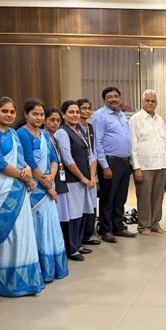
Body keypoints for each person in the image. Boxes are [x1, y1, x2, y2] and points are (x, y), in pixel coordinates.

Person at [0, 97, 44, 296]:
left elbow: (22, 158)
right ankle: (9, 283)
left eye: (11, 112)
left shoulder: (13, 133)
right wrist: (24, 176)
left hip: (19, 186)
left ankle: (27, 281)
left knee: (24, 232)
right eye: (4, 111)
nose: (8, 115)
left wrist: (26, 171)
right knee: (8, 234)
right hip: (2, 189)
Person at [17, 99, 69, 282]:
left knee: (50, 225)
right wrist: (47, 184)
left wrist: (51, 177)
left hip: (48, 182)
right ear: (26, 114)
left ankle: (52, 269)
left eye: (41, 115)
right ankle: (41, 271)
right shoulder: (22, 134)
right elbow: (29, 161)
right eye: (35, 114)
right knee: (39, 227)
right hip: (34, 189)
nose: (39, 118)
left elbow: (54, 158)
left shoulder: (45, 134)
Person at [54, 100, 97, 261]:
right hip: (73, 180)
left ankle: (78, 244)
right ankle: (72, 248)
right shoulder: (62, 132)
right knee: (73, 215)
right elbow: (67, 159)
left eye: (77, 112)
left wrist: (92, 177)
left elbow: (91, 155)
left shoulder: (79, 130)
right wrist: (82, 177)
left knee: (83, 213)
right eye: (71, 112)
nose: (75, 115)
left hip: (86, 180)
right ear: (63, 115)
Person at [93, 86, 136, 243]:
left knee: (120, 198)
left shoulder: (121, 114)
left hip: (124, 162)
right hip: (110, 162)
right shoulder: (99, 116)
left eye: (116, 96)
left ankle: (118, 227)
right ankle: (105, 229)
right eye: (109, 97)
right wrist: (104, 166)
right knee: (108, 198)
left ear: (120, 98)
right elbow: (97, 142)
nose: (113, 99)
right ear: (104, 100)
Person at [130, 90, 166, 236]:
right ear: (142, 101)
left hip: (161, 164)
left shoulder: (160, 119)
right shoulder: (136, 119)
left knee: (158, 197)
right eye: (147, 100)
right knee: (144, 197)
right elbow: (133, 145)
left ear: (156, 103)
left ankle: (155, 223)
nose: (150, 103)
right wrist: (136, 167)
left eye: (153, 101)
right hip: (144, 165)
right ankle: (143, 225)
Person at [76, 98, 101, 246]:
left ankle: (88, 234)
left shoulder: (90, 127)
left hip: (91, 169)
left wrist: (93, 172)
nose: (87, 111)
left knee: (91, 204)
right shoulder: (74, 128)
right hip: (79, 171)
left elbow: (94, 151)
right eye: (83, 108)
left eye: (89, 108)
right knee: (80, 205)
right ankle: (79, 238)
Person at [44, 108, 71, 240]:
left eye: (58, 120)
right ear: (45, 121)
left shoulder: (54, 138)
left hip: (59, 177)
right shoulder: (43, 137)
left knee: (61, 215)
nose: (55, 123)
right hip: (48, 179)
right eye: (52, 120)